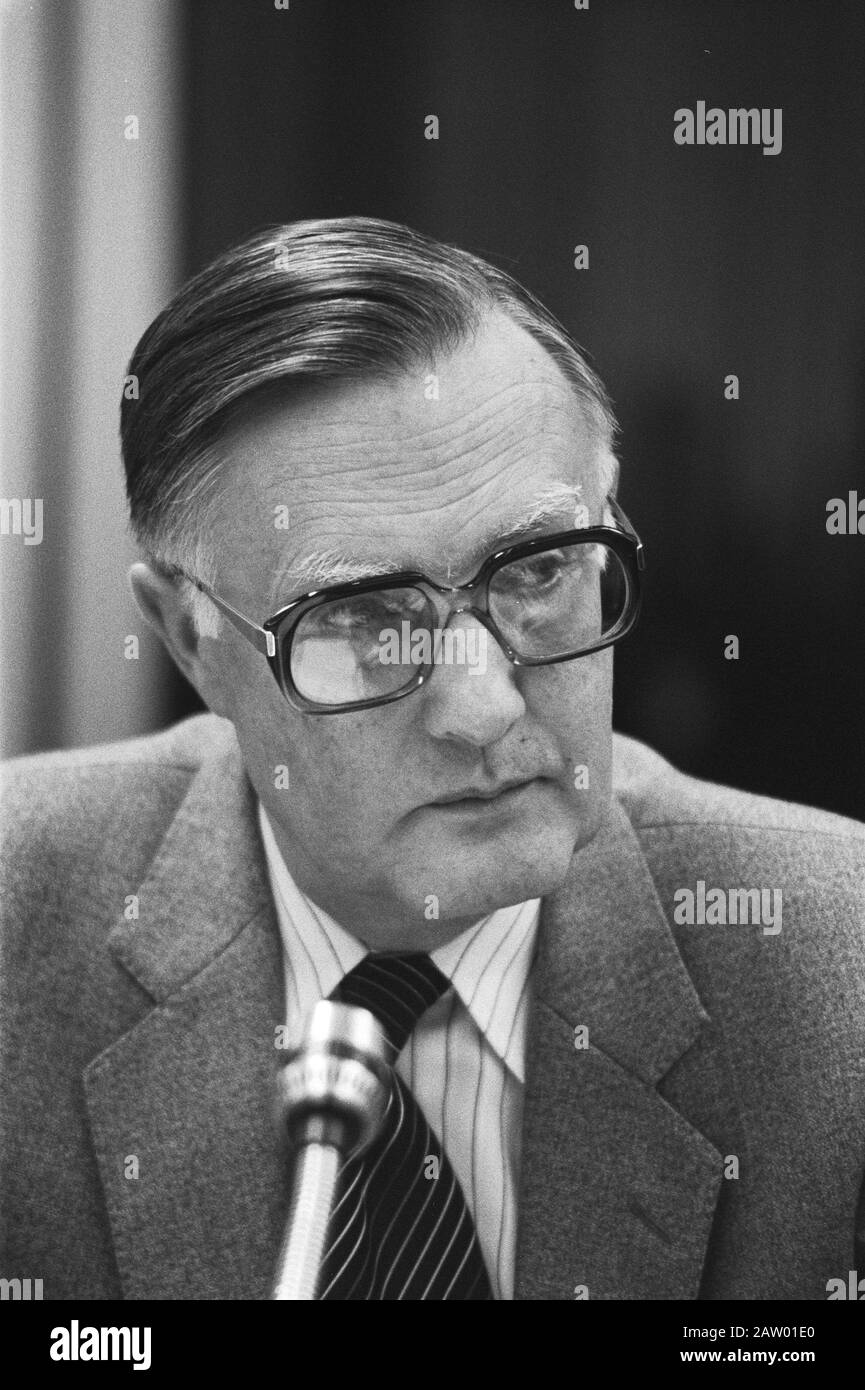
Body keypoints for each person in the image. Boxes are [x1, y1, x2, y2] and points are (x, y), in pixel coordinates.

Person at [2, 217, 863, 1301]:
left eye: (539, 569)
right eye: (364, 614)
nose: (484, 705)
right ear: (192, 641)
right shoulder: (17, 929)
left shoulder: (837, 977)